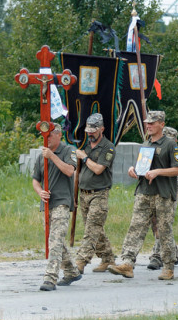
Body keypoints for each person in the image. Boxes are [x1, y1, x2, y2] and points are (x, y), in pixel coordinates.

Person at [107, 111, 178, 281]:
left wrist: (158, 172)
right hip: (144, 192)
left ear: (161, 124)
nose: (148, 125)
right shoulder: (146, 144)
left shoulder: (170, 145)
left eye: (152, 123)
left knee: (164, 231)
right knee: (136, 227)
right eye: (147, 123)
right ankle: (127, 263)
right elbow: (142, 166)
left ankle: (168, 266)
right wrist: (133, 170)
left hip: (163, 194)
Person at [31, 123, 79, 291]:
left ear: (59, 135)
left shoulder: (68, 151)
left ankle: (50, 277)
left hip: (62, 202)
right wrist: (40, 192)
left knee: (55, 240)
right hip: (47, 204)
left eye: (50, 135)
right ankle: (72, 271)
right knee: (55, 239)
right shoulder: (41, 156)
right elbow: (35, 179)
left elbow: (69, 171)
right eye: (44, 136)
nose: (46, 138)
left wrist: (52, 156)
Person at [73, 113, 116, 274]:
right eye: (88, 130)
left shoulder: (108, 147)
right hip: (84, 194)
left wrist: (84, 158)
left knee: (91, 230)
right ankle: (108, 258)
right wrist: (74, 195)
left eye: (93, 130)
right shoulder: (85, 145)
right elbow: (78, 171)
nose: (90, 133)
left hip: (99, 194)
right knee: (95, 228)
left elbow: (98, 169)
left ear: (102, 129)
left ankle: (80, 262)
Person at [148, 126, 178, 270]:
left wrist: (161, 173)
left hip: (170, 193)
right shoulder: (157, 152)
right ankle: (172, 252)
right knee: (156, 224)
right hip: (155, 191)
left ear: (175, 140)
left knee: (162, 224)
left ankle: (157, 256)